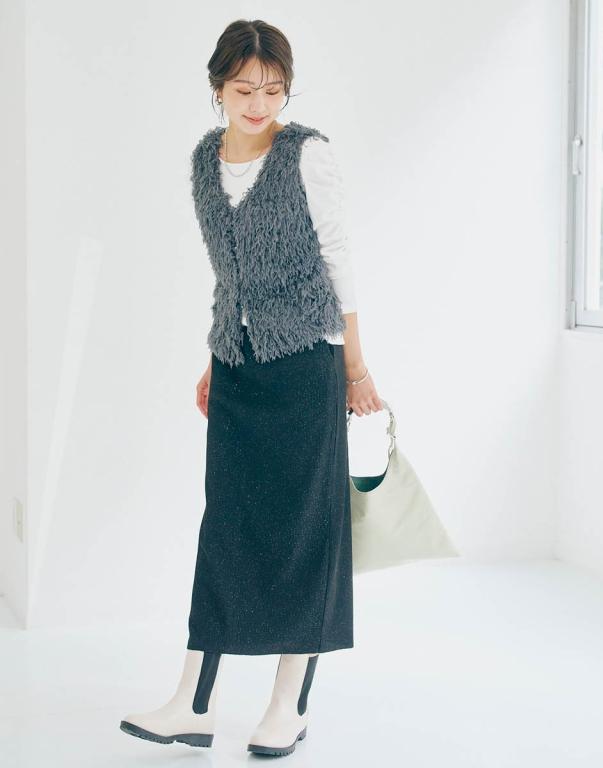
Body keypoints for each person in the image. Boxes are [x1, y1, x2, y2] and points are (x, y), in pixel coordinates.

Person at [120, 18, 382, 757]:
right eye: (244, 90)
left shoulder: (308, 154)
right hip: (236, 363)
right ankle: (191, 703)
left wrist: (356, 371)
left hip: (306, 364)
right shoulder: (204, 162)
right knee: (226, 531)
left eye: (273, 89)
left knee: (304, 533)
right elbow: (226, 273)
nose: (259, 104)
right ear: (217, 89)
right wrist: (216, 355)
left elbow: (339, 263)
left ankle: (286, 706)